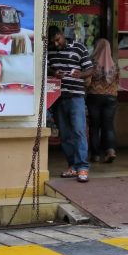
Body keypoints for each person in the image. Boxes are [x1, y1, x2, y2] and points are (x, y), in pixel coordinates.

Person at [47, 26, 93, 183]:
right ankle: (72, 166)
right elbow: (45, 68)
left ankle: (83, 168)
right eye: (53, 42)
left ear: (62, 34)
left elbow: (90, 69)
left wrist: (81, 74)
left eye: (57, 40)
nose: (56, 45)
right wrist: (53, 73)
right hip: (58, 98)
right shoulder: (49, 50)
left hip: (76, 97)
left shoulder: (79, 47)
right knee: (65, 135)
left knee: (79, 131)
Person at [86, 38, 119, 164]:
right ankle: (111, 151)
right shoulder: (114, 64)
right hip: (111, 98)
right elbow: (117, 82)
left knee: (94, 126)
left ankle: (95, 155)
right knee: (108, 125)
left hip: (94, 97)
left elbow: (87, 81)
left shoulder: (92, 63)